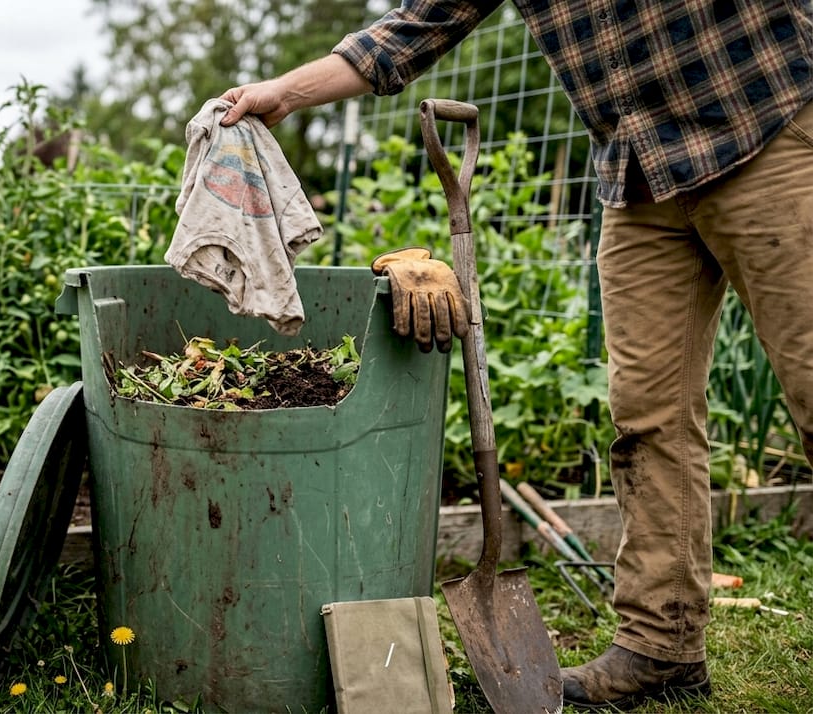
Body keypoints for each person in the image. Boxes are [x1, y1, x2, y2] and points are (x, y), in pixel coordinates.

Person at [220, 2, 813, 710]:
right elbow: (414, 27)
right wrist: (284, 92)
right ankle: (663, 645)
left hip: (765, 126)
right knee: (647, 419)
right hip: (639, 178)